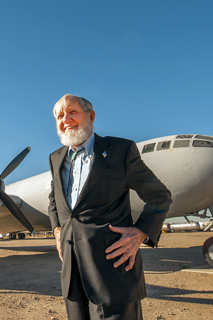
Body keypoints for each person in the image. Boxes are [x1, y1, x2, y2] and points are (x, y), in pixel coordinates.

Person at [48, 94, 172, 320]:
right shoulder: (56, 158)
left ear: (91, 115)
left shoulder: (120, 150)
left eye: (72, 112)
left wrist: (141, 231)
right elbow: (54, 201)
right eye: (60, 115)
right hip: (73, 278)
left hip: (114, 274)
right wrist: (57, 229)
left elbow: (159, 196)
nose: (66, 119)